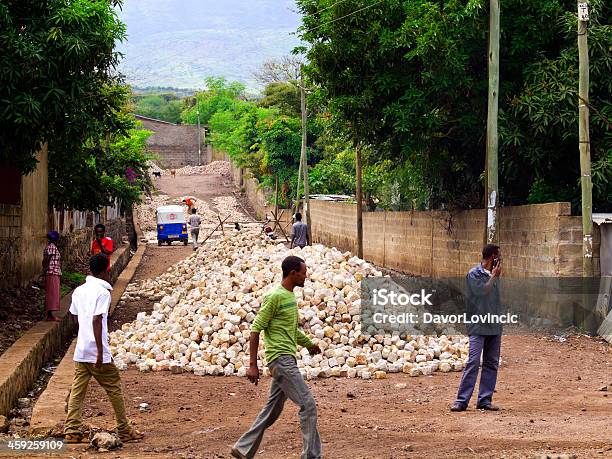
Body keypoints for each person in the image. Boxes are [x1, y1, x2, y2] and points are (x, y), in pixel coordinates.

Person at [232, 256, 322, 459]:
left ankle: (243, 448)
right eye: (303, 274)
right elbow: (255, 329)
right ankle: (312, 456)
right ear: (293, 274)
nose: (305, 277)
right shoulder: (274, 296)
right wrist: (252, 365)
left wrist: (309, 344)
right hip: (281, 360)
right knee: (308, 406)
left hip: (286, 358)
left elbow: (291, 330)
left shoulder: (289, 296)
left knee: (271, 411)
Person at [64, 253, 143, 444]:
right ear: (106, 270)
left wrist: (83, 336)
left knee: (78, 390)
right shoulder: (103, 293)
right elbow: (97, 319)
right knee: (114, 387)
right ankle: (123, 429)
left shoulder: (79, 291)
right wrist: (99, 351)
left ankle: (72, 429)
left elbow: (74, 316)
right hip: (96, 351)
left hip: (82, 350)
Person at [451, 244, 503, 412]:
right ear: (492, 256)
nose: (500, 260)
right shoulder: (474, 274)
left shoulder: (495, 276)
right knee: (473, 362)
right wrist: (494, 277)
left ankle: (484, 400)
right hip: (478, 325)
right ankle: (461, 400)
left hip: (494, 324)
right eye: (498, 256)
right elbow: (482, 292)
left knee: (491, 363)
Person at [42, 231, 62, 322]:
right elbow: (47, 260)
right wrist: (46, 269)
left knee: (51, 293)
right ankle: (50, 315)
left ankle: (50, 314)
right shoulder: (52, 248)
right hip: (52, 272)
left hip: (52, 272)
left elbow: (44, 261)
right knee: (52, 294)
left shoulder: (48, 247)